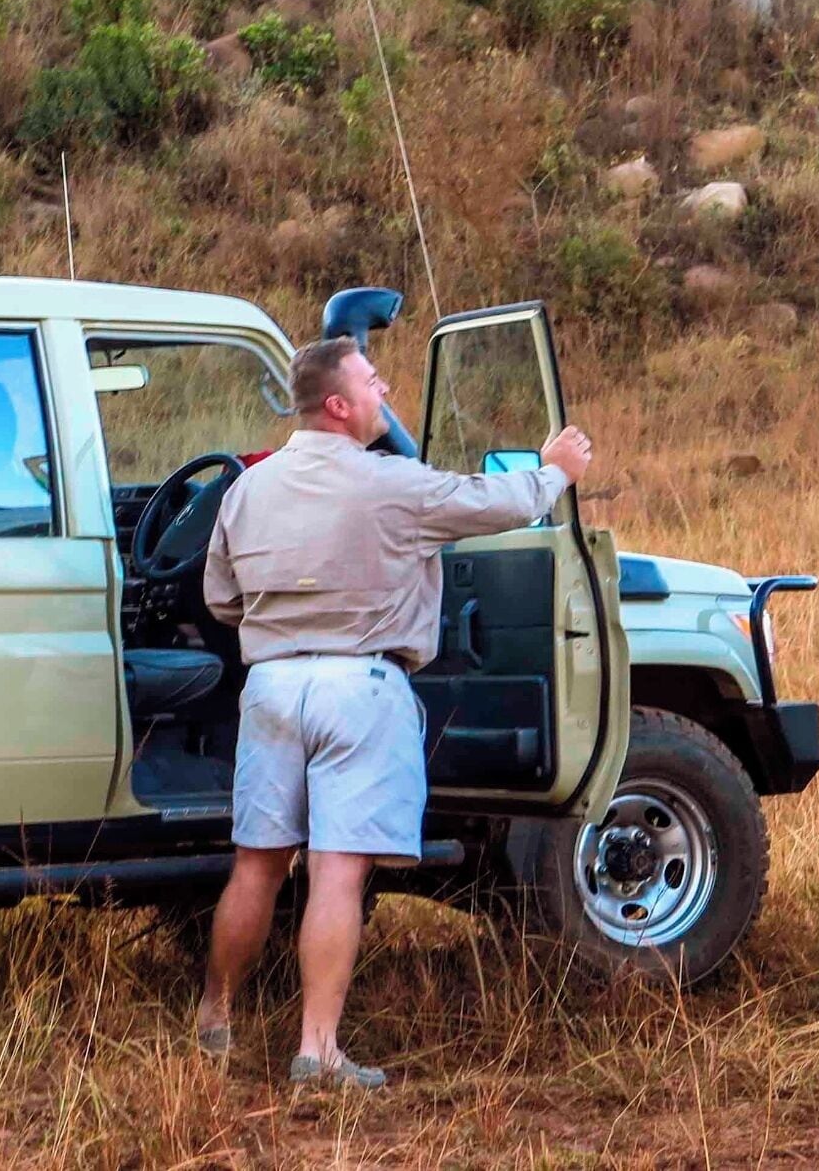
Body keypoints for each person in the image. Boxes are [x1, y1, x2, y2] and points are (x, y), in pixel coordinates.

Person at [189, 335, 594, 1091]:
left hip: (272, 688)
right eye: (373, 382)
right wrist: (554, 471)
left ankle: (215, 1015)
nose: (385, 392)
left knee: (258, 866)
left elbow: (221, 598)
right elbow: (495, 502)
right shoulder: (391, 485)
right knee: (337, 873)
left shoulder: (246, 489)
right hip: (360, 689)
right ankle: (317, 1050)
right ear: (339, 405)